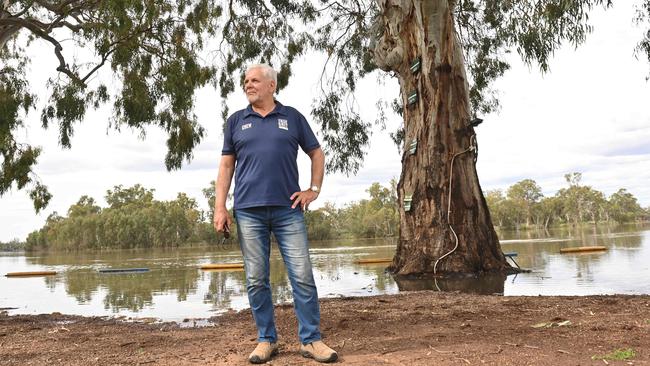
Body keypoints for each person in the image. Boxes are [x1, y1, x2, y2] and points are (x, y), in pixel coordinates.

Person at [213, 63, 338, 364]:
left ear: (271, 85)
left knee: (303, 276)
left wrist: (314, 190)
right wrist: (220, 206)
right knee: (257, 279)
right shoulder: (235, 121)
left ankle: (311, 340)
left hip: (288, 209)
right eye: (245, 81)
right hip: (248, 211)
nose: (248, 85)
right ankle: (267, 340)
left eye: (254, 80)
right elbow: (226, 166)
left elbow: (317, 153)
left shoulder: (292, 117)